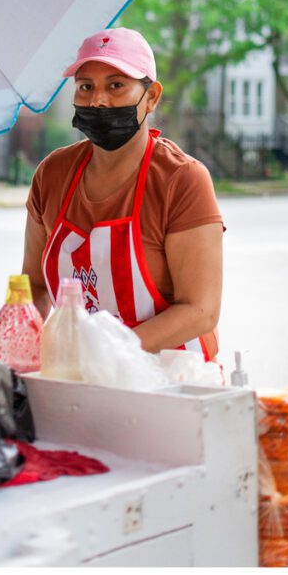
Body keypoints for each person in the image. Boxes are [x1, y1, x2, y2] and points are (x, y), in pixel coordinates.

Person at [22, 28, 222, 361]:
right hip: (80, 372)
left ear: (152, 96)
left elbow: (200, 310)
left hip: (172, 377)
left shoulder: (182, 180)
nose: (98, 100)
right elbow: (34, 286)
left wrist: (105, 352)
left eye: (116, 85)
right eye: (86, 87)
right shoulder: (53, 174)